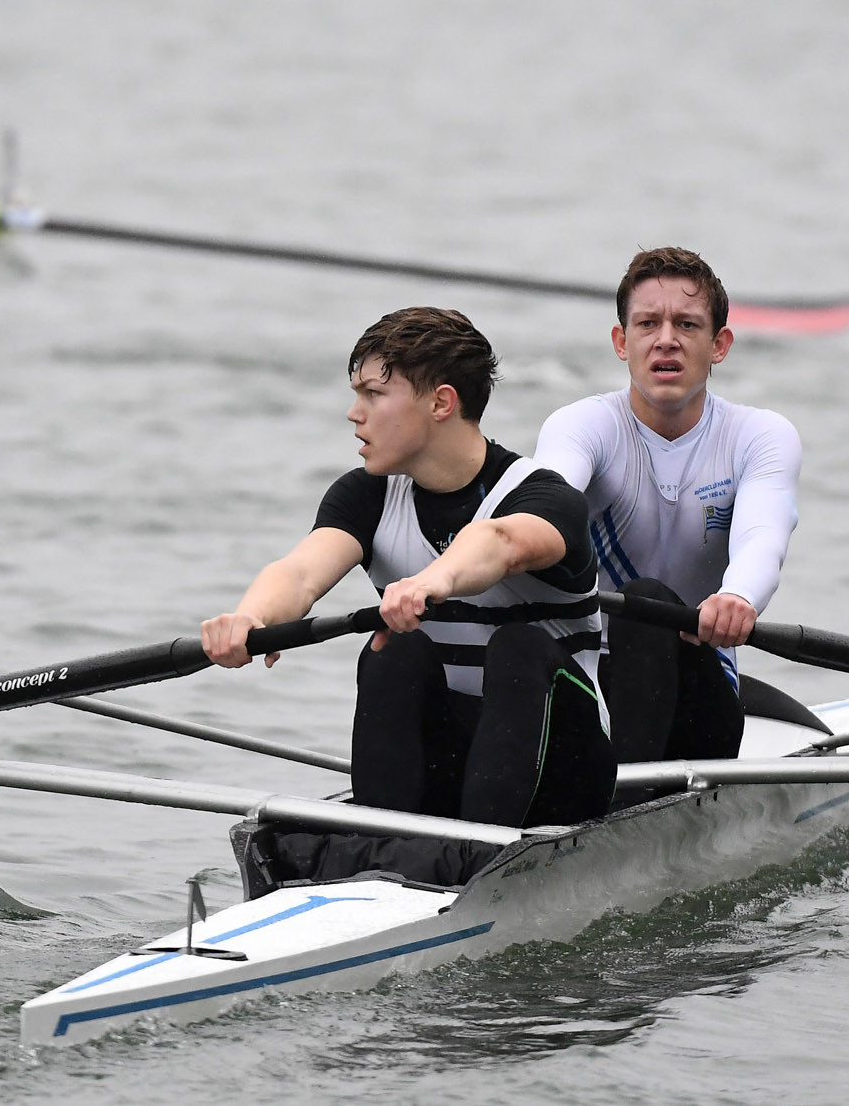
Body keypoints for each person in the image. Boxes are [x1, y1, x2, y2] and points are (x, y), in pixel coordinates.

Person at [202, 307, 614, 829]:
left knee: (519, 646)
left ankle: (479, 853)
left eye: (373, 394)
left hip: (565, 768)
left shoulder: (542, 494)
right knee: (395, 649)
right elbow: (300, 574)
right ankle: (385, 842)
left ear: (441, 402)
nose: (354, 413)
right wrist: (250, 618)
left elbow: (501, 542)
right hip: (457, 761)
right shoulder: (367, 495)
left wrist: (431, 580)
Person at [534, 247, 804, 766]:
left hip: (697, 697)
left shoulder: (760, 436)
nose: (666, 339)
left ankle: (622, 806)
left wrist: (739, 597)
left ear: (719, 345)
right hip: (588, 689)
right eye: (647, 323)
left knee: (647, 602)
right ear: (621, 341)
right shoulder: (581, 427)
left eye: (687, 324)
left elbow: (762, 536)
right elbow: (547, 506)